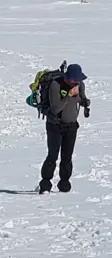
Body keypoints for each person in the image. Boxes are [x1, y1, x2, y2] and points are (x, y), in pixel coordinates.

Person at [39, 63, 89, 194]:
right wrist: (68, 96)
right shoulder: (56, 85)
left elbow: (83, 99)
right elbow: (56, 109)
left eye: (78, 80)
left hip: (71, 126)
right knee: (52, 156)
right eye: (74, 80)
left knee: (67, 157)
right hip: (55, 125)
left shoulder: (80, 85)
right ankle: (45, 184)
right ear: (67, 77)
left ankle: (64, 183)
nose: (76, 82)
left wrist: (85, 102)